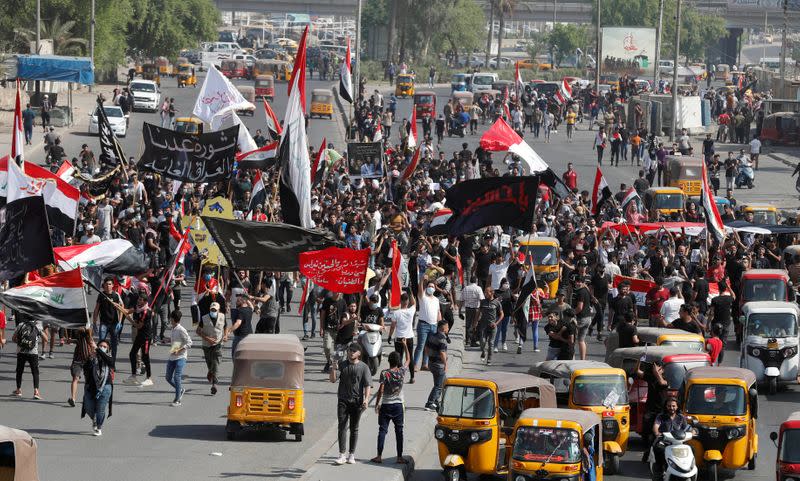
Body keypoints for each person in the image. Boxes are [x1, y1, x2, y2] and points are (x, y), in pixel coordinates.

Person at [330, 342, 372, 465]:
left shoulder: (364, 367)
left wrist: (366, 399)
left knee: (354, 428)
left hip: (357, 402)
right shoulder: (342, 365)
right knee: (342, 426)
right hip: (343, 400)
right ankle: (342, 454)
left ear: (359, 353)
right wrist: (333, 368)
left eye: (353, 351)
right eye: (349, 350)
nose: (351, 352)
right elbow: (332, 380)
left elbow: (368, 384)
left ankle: (351, 454)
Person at [371, 341, 410, 465]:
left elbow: (381, 390)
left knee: (382, 430)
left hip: (386, 405)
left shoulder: (384, 373)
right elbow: (408, 359)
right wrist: (405, 345)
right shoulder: (402, 371)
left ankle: (379, 456)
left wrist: (377, 404)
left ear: (389, 361)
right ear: (398, 361)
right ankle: (399, 457)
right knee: (399, 431)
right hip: (399, 406)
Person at [81, 338, 115, 436]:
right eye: (100, 346)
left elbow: (110, 362)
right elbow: (85, 369)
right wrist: (90, 358)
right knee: (88, 407)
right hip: (91, 386)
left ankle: (98, 427)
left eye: (104, 347)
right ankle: (95, 418)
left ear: (108, 349)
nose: (102, 348)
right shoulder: (92, 356)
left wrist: (98, 350)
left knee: (100, 408)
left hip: (105, 386)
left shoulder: (108, 357)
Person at [12, 315, 47, 399]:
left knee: (19, 371)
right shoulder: (37, 326)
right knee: (35, 372)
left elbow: (13, 338)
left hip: (21, 351)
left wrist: (21, 342)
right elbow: (46, 339)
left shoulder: (21, 325)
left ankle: (18, 390)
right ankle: (36, 391)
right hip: (33, 352)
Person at [651, 397, 688, 475]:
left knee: (691, 449)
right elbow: (656, 426)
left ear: (677, 406)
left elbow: (687, 427)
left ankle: (688, 468)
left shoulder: (681, 417)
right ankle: (660, 468)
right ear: (666, 406)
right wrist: (657, 433)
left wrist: (693, 431)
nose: (671, 408)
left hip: (678, 442)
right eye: (669, 406)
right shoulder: (660, 416)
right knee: (658, 448)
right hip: (664, 441)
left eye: (673, 406)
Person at [197, 301, 226, 395]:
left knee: (216, 362)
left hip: (218, 343)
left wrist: (225, 335)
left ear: (218, 310)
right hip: (207, 344)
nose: (213, 311)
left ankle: (214, 384)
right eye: (212, 310)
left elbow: (225, 327)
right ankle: (210, 371)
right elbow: (198, 331)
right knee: (210, 363)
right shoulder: (204, 318)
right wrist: (207, 338)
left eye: (215, 310)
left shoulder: (222, 317)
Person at [125, 294, 154, 387]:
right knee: (132, 353)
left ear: (145, 302)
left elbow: (138, 326)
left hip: (146, 337)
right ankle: (133, 376)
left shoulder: (146, 312)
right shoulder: (137, 307)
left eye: (141, 300)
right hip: (139, 335)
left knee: (145, 356)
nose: (138, 301)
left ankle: (149, 378)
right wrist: (117, 306)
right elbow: (127, 311)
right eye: (138, 299)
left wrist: (129, 319)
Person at [388, 291, 416, 384]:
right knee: (410, 357)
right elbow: (414, 303)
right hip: (409, 337)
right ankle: (412, 377)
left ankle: (400, 376)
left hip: (399, 338)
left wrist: (389, 336)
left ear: (400, 301)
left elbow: (392, 326)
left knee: (399, 357)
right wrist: (411, 292)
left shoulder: (396, 313)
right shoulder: (411, 311)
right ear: (407, 301)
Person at [93, 277, 124, 362]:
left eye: (110, 284)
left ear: (113, 285)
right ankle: (101, 361)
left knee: (114, 345)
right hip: (104, 323)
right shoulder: (101, 295)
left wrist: (120, 322)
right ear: (104, 285)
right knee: (101, 343)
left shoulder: (116, 295)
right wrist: (94, 323)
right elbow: (96, 309)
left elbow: (121, 308)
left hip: (114, 324)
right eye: (106, 284)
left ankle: (112, 362)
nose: (108, 286)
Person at [413, 279, 441, 372]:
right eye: (429, 286)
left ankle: (425, 364)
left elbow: (438, 312)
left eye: (433, 287)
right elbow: (420, 290)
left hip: (433, 325)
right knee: (420, 345)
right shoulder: (423, 297)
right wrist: (421, 280)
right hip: (423, 325)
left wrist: (439, 324)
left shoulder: (437, 300)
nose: (431, 288)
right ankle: (415, 364)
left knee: (428, 346)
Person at [165, 310, 191, 406]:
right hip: (172, 355)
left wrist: (179, 350)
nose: (170, 320)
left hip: (181, 356)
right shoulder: (173, 328)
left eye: (170, 318)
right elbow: (176, 340)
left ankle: (177, 399)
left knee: (177, 377)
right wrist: (168, 340)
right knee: (168, 378)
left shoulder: (181, 329)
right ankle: (180, 389)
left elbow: (189, 342)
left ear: (173, 319)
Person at [424, 320, 449, 411]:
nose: (448, 328)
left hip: (431, 363)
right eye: (447, 327)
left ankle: (436, 401)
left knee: (442, 383)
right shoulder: (442, 339)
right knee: (439, 385)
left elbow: (426, 347)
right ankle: (429, 403)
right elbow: (442, 353)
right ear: (443, 328)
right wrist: (445, 365)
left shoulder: (432, 336)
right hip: (439, 365)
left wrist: (430, 357)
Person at [320, 291, 346, 373]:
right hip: (328, 328)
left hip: (339, 330)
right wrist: (321, 328)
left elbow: (345, 314)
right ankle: (329, 361)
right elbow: (323, 314)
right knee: (327, 347)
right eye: (335, 292)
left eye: (339, 292)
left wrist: (343, 322)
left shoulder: (343, 302)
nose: (337, 293)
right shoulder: (327, 301)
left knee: (339, 349)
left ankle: (336, 364)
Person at [477, 286, 502, 365]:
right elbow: (479, 312)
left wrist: (496, 323)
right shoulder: (483, 302)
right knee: (482, 341)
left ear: (492, 293)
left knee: (491, 343)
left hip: (492, 326)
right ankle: (483, 352)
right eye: (485, 292)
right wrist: (475, 322)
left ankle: (489, 359)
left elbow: (502, 314)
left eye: (486, 292)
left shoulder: (497, 302)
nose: (485, 294)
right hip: (483, 325)